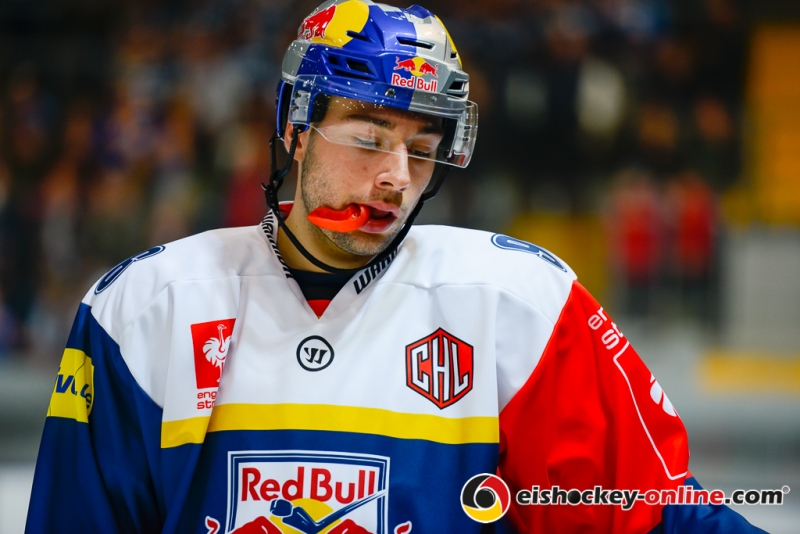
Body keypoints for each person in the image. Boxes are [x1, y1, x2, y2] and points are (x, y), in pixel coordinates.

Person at [26, 1, 765, 533]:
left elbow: (653, 516)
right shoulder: (144, 308)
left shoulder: (519, 303)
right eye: (369, 137)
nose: (395, 178)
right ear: (296, 127)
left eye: (421, 148)